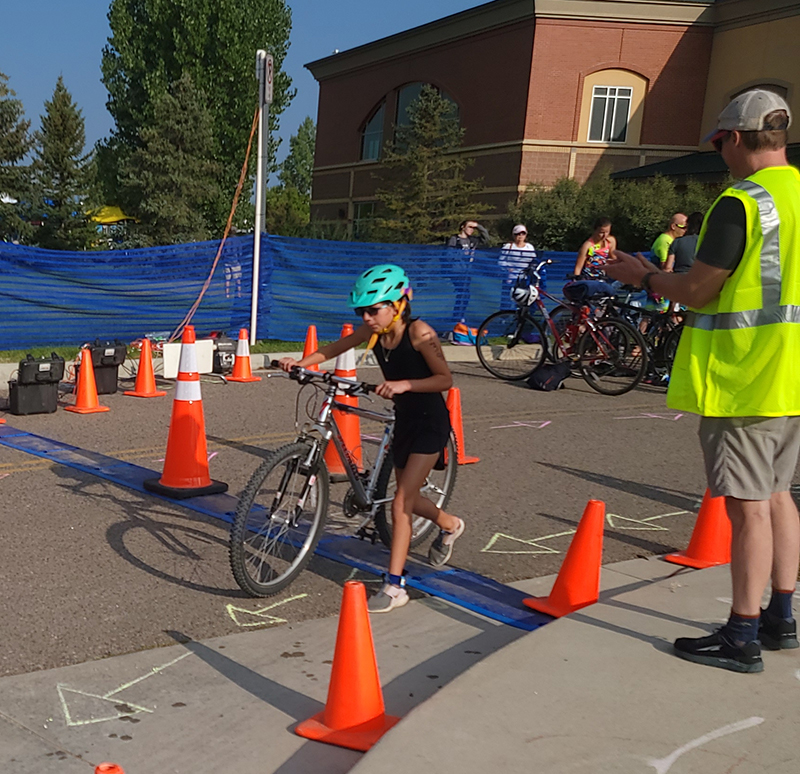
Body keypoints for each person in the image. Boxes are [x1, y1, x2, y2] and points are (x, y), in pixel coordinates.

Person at [605, 89, 800, 673]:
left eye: (719, 143)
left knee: (747, 509)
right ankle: (780, 616)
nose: (720, 154)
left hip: (745, 374)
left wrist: (645, 276)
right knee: (778, 496)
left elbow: (697, 291)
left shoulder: (743, 202)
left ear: (735, 139)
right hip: (790, 373)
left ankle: (741, 632)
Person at [279, 264, 465, 613]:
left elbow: (444, 380)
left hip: (430, 422)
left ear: (397, 304)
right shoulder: (373, 333)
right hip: (405, 419)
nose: (367, 317)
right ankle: (450, 524)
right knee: (404, 498)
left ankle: (395, 586)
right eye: (361, 311)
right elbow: (334, 348)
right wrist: (301, 363)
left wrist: (404, 384)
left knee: (400, 503)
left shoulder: (419, 332)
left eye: (373, 309)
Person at [447, 219, 489, 323]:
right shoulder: (454, 239)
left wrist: (479, 226)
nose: (472, 230)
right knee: (463, 292)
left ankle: (458, 315)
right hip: (457, 271)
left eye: (473, 228)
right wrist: (463, 254)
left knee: (465, 293)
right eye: (470, 227)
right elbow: (448, 254)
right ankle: (457, 316)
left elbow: (486, 238)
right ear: (463, 227)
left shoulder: (473, 240)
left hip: (467, 271)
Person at [499, 224, 537, 306]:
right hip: (510, 279)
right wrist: (508, 268)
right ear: (513, 235)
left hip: (524, 279)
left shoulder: (529, 247)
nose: (520, 236)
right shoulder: (508, 247)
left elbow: (534, 261)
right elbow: (501, 262)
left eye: (523, 233)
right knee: (507, 299)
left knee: (523, 300)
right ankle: (504, 318)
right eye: (518, 234)